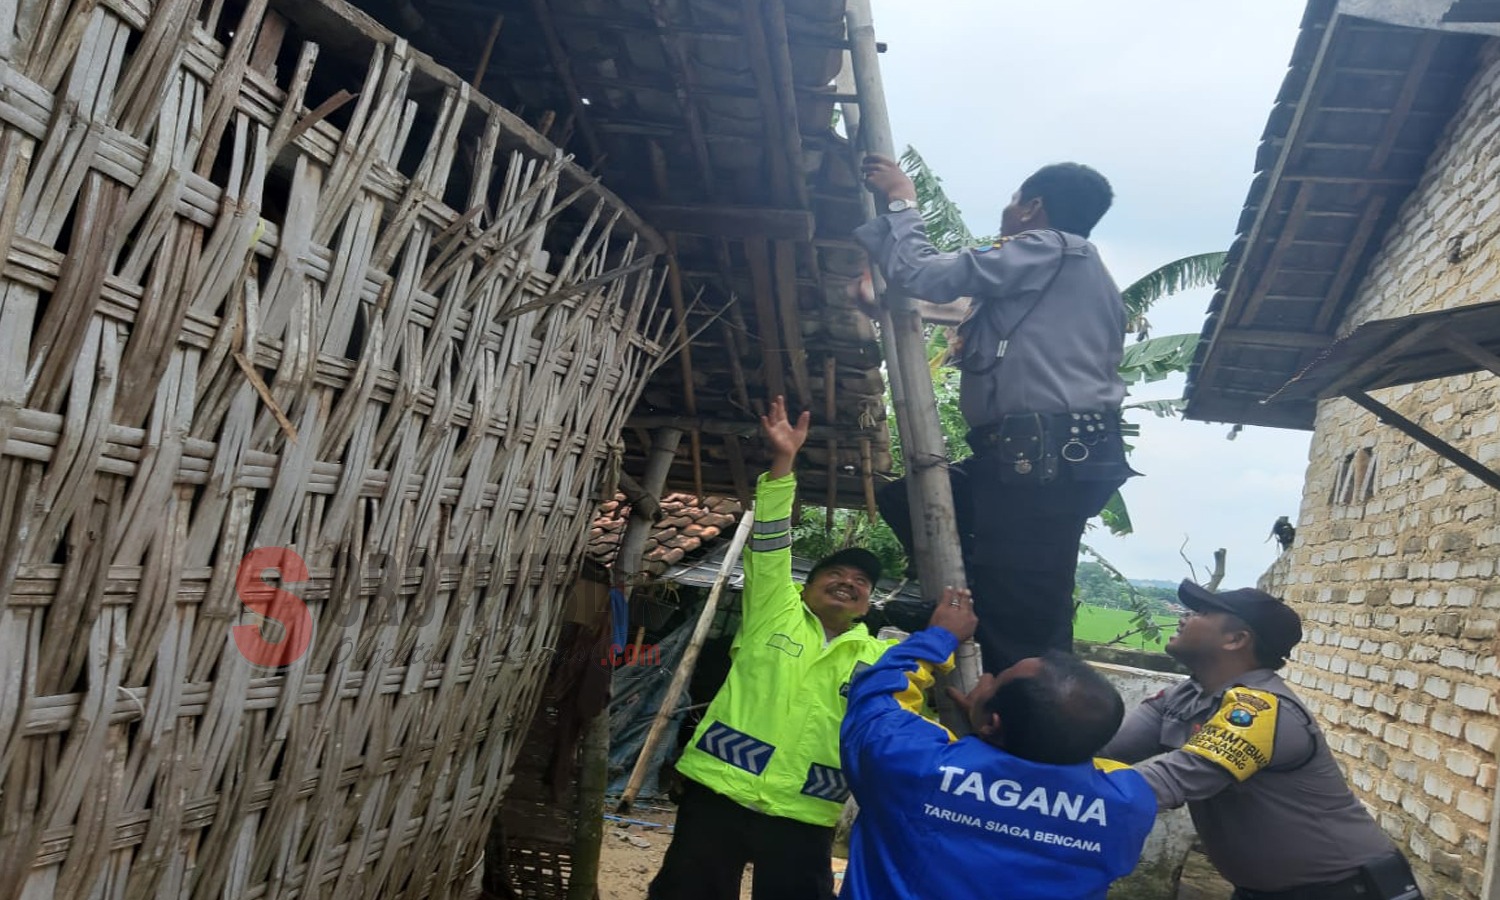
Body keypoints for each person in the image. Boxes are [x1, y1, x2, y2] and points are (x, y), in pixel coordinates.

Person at [853, 155, 1135, 673]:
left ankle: (1024, 718)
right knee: (909, 500)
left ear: (1033, 207)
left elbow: (925, 274)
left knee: (1022, 618)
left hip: (1042, 459)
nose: (1008, 211)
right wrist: (886, 305)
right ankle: (970, 603)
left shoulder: (1044, 248)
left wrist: (901, 200)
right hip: (1034, 458)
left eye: (1013, 199)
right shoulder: (1066, 271)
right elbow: (960, 310)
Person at [648, 396, 895, 900]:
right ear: (805, 586)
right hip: (720, 791)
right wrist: (783, 463)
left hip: (806, 810)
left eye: (861, 582)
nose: (848, 582)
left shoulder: (878, 660)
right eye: (835, 573)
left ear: (868, 607)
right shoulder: (774, 611)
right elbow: (769, 540)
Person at [1100, 581, 1423, 900]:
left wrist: (1064, 795)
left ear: (1236, 640)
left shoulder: (1262, 711)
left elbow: (1166, 782)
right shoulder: (1183, 697)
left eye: (1202, 612)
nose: (1185, 616)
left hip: (1345, 888)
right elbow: (1102, 750)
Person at [839, 585, 1157, 899]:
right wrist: (990, 731)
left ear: (994, 724)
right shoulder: (1127, 805)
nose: (985, 678)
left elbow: (878, 695)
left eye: (995, 679)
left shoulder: (912, 764)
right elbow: (1075, 763)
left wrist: (939, 637)